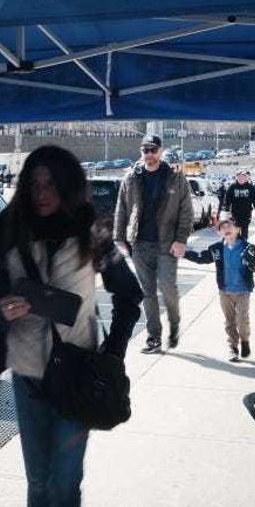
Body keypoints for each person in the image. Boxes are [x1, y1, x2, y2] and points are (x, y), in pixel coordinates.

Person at [0, 145, 142, 507]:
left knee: (65, 482)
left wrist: (112, 354)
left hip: (77, 374)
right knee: (38, 480)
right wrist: (1, 310)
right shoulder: (4, 231)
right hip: (29, 373)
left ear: (68, 185)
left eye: (51, 183)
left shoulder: (93, 231)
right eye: (34, 183)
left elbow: (129, 296)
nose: (41, 192)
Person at [113, 134, 194, 353]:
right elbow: (121, 207)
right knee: (148, 293)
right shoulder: (131, 176)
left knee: (168, 288)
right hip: (140, 244)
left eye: (153, 150)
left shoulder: (175, 177)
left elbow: (186, 211)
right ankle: (154, 337)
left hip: (167, 245)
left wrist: (180, 240)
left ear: (160, 150)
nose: (149, 154)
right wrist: (119, 238)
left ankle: (175, 324)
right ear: (141, 152)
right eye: (145, 150)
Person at [185, 217, 255, 362]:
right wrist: (184, 253)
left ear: (238, 229)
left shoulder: (247, 247)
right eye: (222, 228)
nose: (226, 229)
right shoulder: (217, 249)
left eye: (230, 226)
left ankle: (245, 340)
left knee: (242, 319)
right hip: (225, 292)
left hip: (242, 291)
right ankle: (233, 348)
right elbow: (201, 257)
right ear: (219, 232)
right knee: (230, 321)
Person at [219, 169, 255, 242]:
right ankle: (236, 246)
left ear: (245, 177)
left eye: (243, 177)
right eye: (239, 176)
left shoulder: (250, 187)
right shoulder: (232, 187)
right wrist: (226, 211)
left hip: (246, 213)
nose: (241, 178)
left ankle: (243, 246)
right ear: (236, 177)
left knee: (245, 233)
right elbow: (227, 200)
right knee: (236, 231)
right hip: (235, 214)